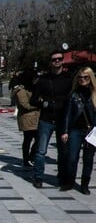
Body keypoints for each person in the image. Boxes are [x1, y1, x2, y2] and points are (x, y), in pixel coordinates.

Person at [30, 50, 73, 189]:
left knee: (63, 151)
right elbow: (33, 100)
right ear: (50, 62)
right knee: (41, 151)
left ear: (62, 61)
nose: (57, 62)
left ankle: (62, 176)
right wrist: (44, 104)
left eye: (59, 59)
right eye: (54, 59)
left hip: (63, 120)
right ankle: (38, 176)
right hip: (46, 119)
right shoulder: (44, 80)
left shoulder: (68, 79)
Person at [62, 66, 96, 195]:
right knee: (72, 157)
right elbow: (67, 114)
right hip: (75, 129)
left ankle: (84, 184)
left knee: (88, 158)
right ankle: (70, 181)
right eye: (80, 77)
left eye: (85, 77)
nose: (82, 80)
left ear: (91, 78)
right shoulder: (74, 94)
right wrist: (65, 131)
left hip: (91, 131)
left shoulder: (94, 94)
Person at [12, 70, 40, 168]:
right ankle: (27, 159)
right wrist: (39, 105)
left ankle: (30, 157)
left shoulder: (32, 88)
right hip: (27, 118)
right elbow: (25, 105)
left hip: (35, 118)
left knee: (38, 139)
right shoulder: (21, 91)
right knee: (28, 139)